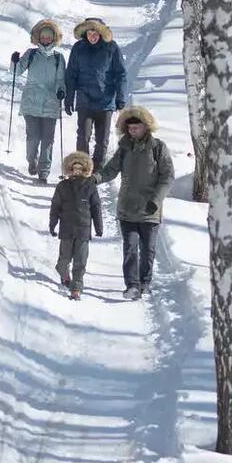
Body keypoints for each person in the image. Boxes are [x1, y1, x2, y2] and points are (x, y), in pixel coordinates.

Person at [97, 105, 172, 300]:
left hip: (150, 209)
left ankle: (145, 281)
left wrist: (156, 200)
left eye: (136, 127)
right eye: (130, 128)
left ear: (146, 127)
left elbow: (167, 177)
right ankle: (132, 285)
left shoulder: (158, 148)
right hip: (127, 208)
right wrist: (96, 177)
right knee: (130, 248)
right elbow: (111, 169)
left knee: (148, 250)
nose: (133, 131)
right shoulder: (124, 148)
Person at [65, 17, 128, 164]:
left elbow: (121, 74)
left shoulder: (111, 47)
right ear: (85, 33)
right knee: (82, 136)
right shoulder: (78, 48)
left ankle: (97, 169)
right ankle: (81, 168)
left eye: (95, 33)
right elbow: (71, 74)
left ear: (101, 33)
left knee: (102, 140)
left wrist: (121, 97)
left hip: (105, 102)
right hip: (84, 100)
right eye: (89, 33)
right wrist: (69, 97)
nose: (92, 36)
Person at [9, 20, 65, 182]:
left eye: (49, 37)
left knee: (48, 140)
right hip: (31, 102)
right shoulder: (31, 54)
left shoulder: (58, 58)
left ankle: (44, 172)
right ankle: (31, 161)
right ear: (38, 37)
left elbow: (61, 80)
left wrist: (61, 91)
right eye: (43, 36)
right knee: (33, 137)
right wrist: (14, 61)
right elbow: (16, 72)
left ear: (54, 38)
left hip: (51, 103)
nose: (46, 39)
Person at [48, 151, 103, 300]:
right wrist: (52, 224)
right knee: (64, 259)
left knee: (80, 261)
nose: (77, 171)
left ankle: (76, 288)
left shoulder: (90, 187)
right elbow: (55, 206)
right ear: (69, 169)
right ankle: (63, 273)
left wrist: (99, 227)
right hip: (66, 229)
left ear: (85, 170)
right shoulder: (62, 186)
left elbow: (96, 207)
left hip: (83, 230)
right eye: (74, 168)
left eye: (80, 168)